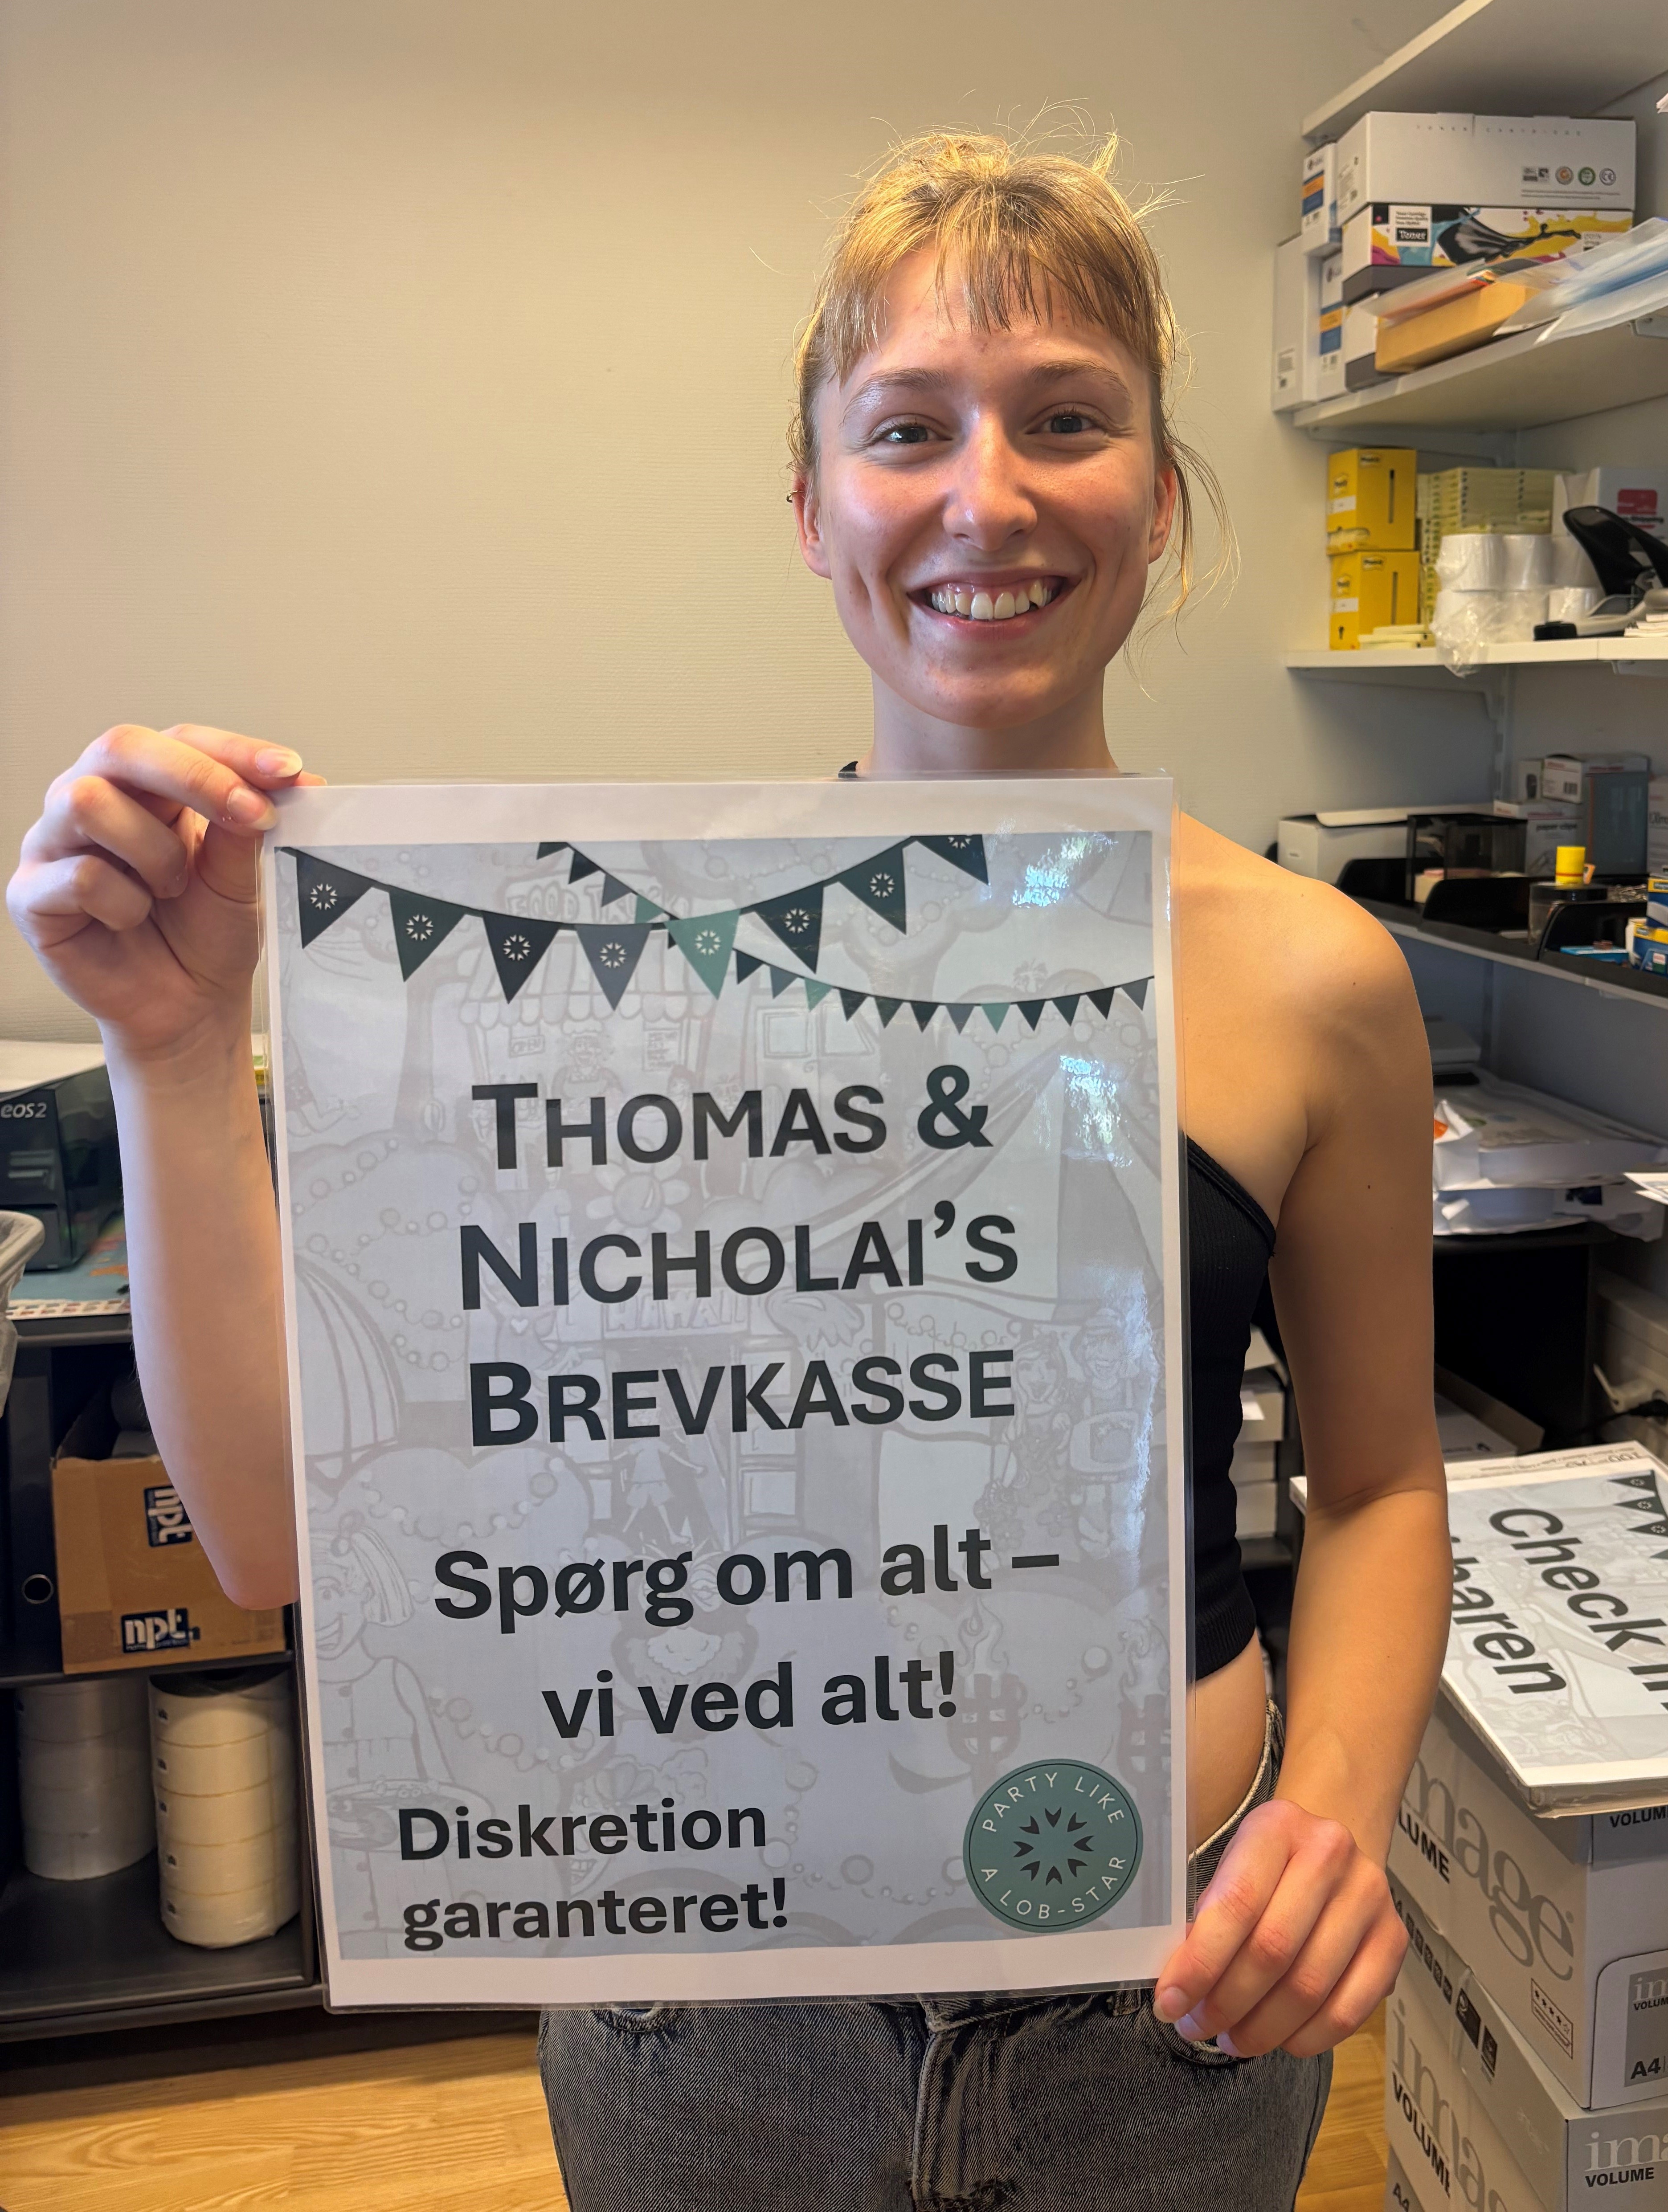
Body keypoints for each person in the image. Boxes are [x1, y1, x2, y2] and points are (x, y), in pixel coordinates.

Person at [9, 130, 1447, 2212]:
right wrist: (166, 1051)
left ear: (1160, 496)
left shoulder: (1319, 981)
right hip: (713, 2017)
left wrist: (1337, 1809)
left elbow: (1385, 1483)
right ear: (811, 506)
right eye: (908, 428)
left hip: (1166, 1998)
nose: (987, 496)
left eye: (1067, 419)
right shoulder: (604, 990)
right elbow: (270, 1533)